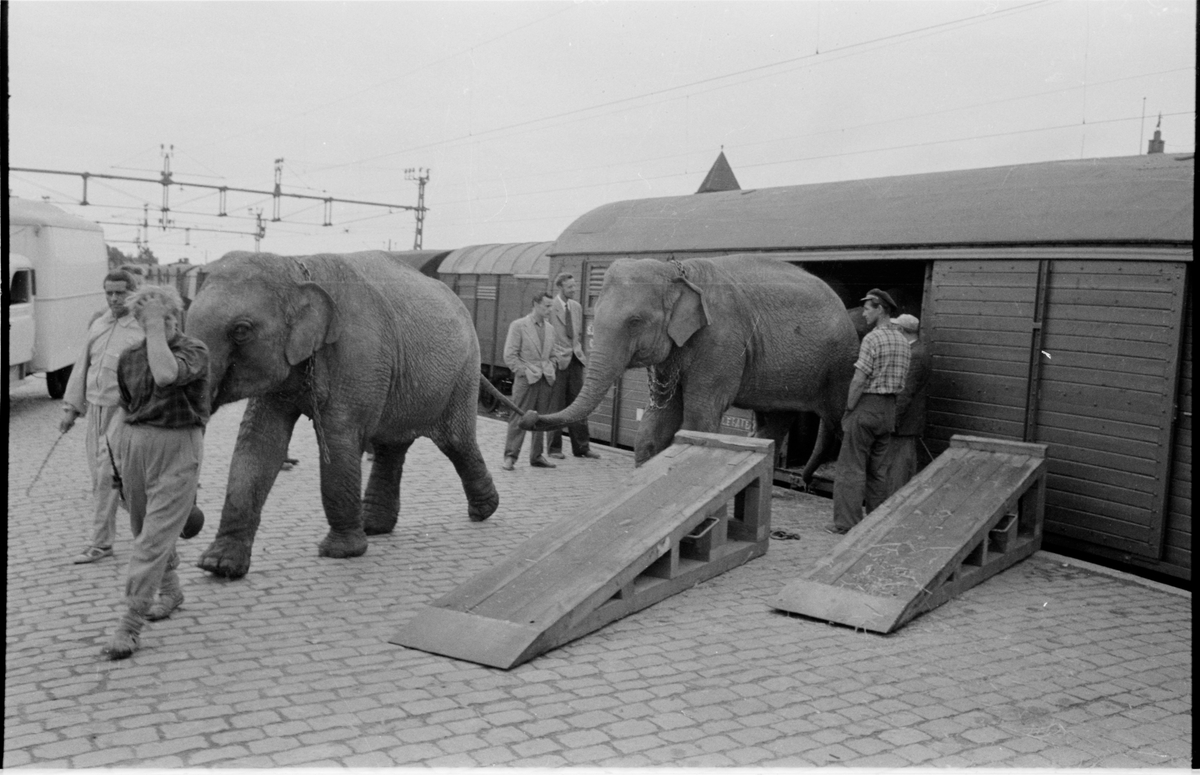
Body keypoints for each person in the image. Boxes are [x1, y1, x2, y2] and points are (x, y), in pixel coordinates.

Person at [102, 285, 211, 660]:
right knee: (141, 529)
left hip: (179, 445)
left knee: (153, 538)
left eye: (164, 316)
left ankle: (130, 624)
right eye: (147, 318)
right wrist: (116, 456)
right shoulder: (129, 357)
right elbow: (126, 407)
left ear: (174, 315)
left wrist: (153, 327)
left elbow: (165, 375)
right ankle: (171, 590)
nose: (157, 324)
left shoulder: (193, 350)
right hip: (136, 445)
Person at [60, 269, 145, 564]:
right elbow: (82, 367)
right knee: (101, 478)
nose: (114, 298)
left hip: (123, 412)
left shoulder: (142, 329)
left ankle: (101, 543)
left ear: (133, 292)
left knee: (108, 474)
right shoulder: (98, 324)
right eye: (109, 293)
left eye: (120, 293)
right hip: (95, 411)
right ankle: (148, 525)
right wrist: (71, 409)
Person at [829, 288, 911, 534]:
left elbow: (859, 379)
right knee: (879, 471)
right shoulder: (904, 341)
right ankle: (875, 522)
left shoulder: (872, 339)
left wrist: (849, 407)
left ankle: (846, 523)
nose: (863, 314)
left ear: (880, 309)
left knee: (851, 467)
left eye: (867, 309)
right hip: (889, 410)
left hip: (866, 406)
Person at [547, 272, 600, 461]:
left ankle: (582, 448)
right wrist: (553, 358)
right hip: (558, 362)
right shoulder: (550, 307)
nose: (574, 289)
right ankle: (554, 448)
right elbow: (547, 336)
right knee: (556, 406)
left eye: (574, 286)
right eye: (570, 287)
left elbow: (578, 335)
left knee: (579, 405)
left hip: (576, 361)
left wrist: (578, 353)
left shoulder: (576, 307)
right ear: (560, 287)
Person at [502, 292, 558, 471]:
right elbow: (510, 355)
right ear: (535, 304)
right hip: (526, 381)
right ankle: (510, 457)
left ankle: (537, 456)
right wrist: (524, 372)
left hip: (545, 380)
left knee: (540, 419)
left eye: (551, 306)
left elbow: (553, 355)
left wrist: (551, 367)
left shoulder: (550, 329)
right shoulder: (518, 326)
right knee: (519, 417)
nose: (550, 309)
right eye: (547, 306)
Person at [885, 314, 932, 497]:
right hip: (906, 424)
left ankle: (894, 505)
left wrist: (891, 421)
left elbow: (905, 393)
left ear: (901, 330)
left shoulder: (914, 355)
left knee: (898, 472)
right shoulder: (917, 350)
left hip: (904, 426)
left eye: (895, 328)